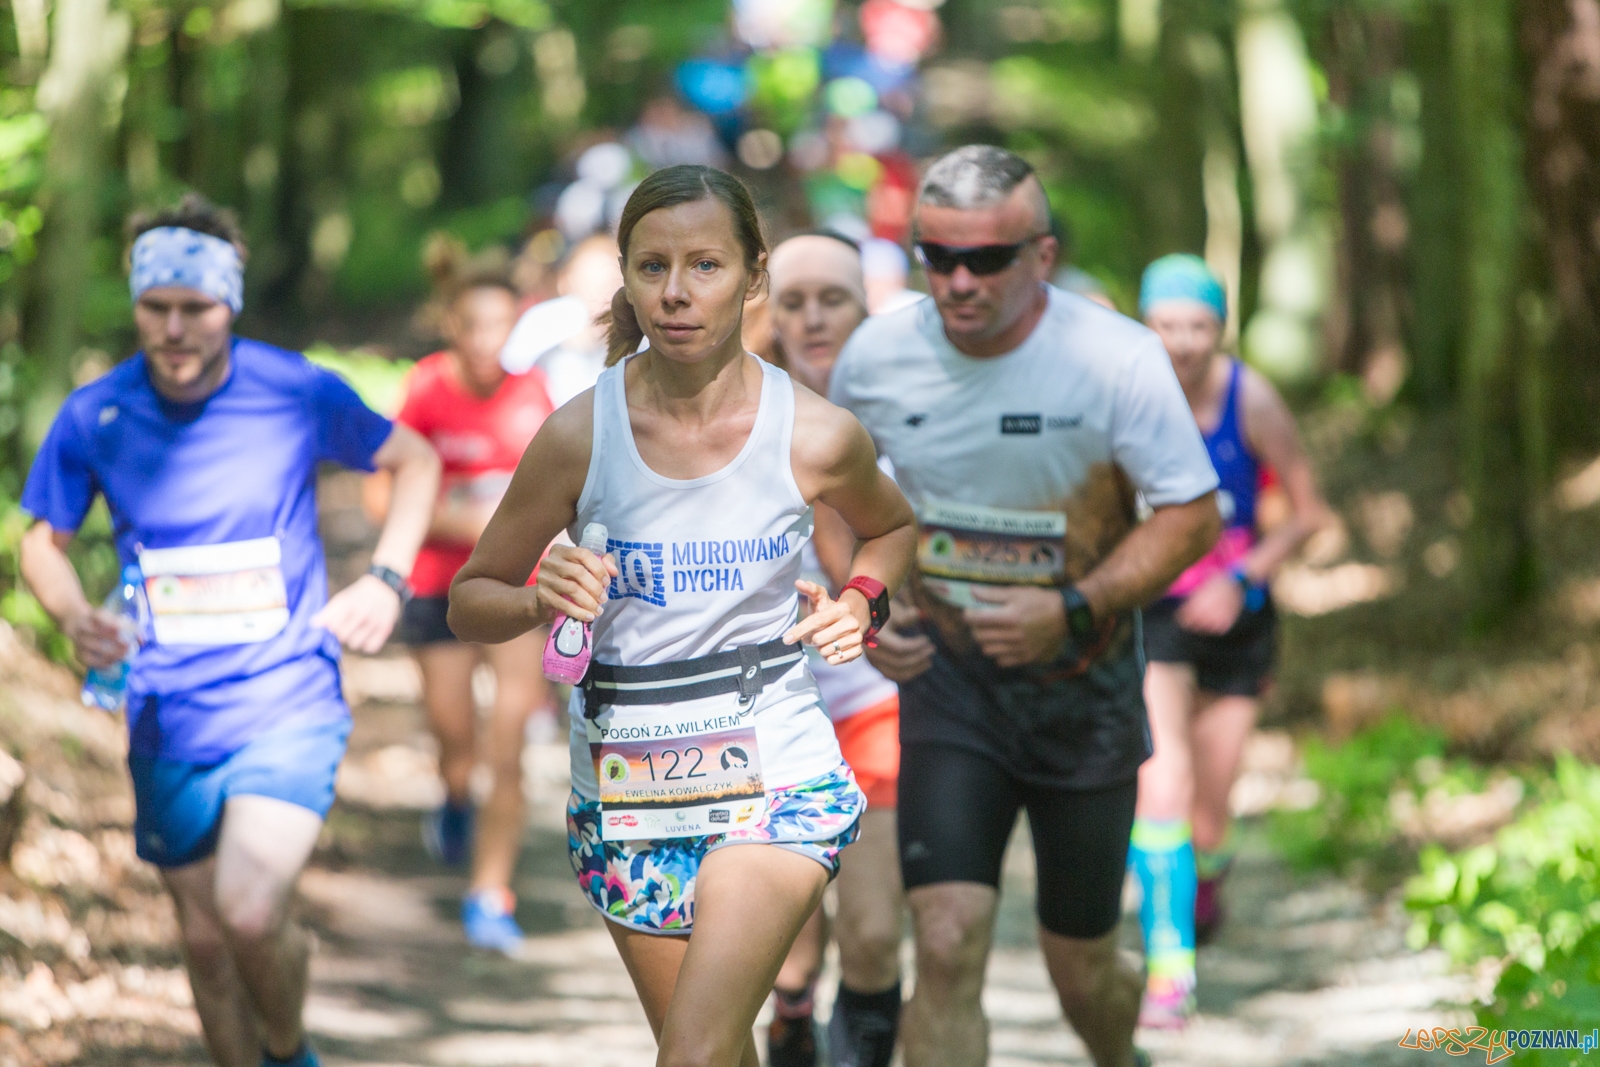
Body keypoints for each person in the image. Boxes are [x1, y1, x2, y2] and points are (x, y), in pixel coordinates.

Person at [447, 165, 918, 1067]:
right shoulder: (579, 435)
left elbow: (891, 528)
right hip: (628, 788)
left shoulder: (815, 431)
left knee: (692, 1055)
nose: (676, 291)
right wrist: (536, 597)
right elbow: (472, 600)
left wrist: (861, 599)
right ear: (622, 274)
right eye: (652, 265)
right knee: (713, 1051)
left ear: (753, 276)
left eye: (705, 265)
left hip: (772, 767)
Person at [18, 195, 440, 1067]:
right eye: (155, 307)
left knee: (249, 909)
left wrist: (389, 583)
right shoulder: (96, 414)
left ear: (230, 304)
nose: (173, 328)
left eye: (195, 307)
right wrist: (72, 615)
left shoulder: (293, 389)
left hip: (287, 697)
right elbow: (41, 544)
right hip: (168, 713)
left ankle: (288, 1052)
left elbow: (415, 460)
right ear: (136, 306)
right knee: (206, 942)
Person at [830, 145, 1222, 1067]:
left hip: (1082, 693)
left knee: (1080, 968)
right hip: (951, 689)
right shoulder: (878, 355)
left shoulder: (1112, 355)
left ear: (1041, 256)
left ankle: (1122, 1056)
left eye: (988, 259)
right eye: (937, 256)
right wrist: (868, 603)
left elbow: (1193, 516)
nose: (959, 281)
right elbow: (829, 490)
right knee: (950, 938)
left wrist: (1076, 606)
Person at [1131, 254, 1329, 1028]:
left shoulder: (1252, 399)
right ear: (1146, 325)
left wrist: (1240, 579)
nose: (1182, 342)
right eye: (1168, 325)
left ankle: (1203, 869)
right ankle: (1167, 971)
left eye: (1198, 325)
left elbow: (1310, 513)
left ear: (1221, 326)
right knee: (1164, 783)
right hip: (1158, 616)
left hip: (1239, 618)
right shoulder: (1128, 399)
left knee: (1210, 809)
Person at [382, 242, 558, 953]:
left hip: (517, 592)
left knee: (507, 746)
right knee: (458, 740)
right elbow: (388, 494)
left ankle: (491, 892)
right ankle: (455, 796)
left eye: (500, 326)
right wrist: (466, 520)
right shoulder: (426, 390)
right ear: (451, 324)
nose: (487, 341)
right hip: (438, 590)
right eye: (473, 325)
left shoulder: (532, 394)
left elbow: (557, 494)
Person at [765, 233, 906, 1067]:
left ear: (866, 308)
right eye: (793, 301)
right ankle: (789, 1020)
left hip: (872, 698)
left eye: (833, 299)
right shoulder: (732, 411)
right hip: (765, 708)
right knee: (788, 946)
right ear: (768, 312)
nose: (814, 317)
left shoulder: (908, 418)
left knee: (876, 930)